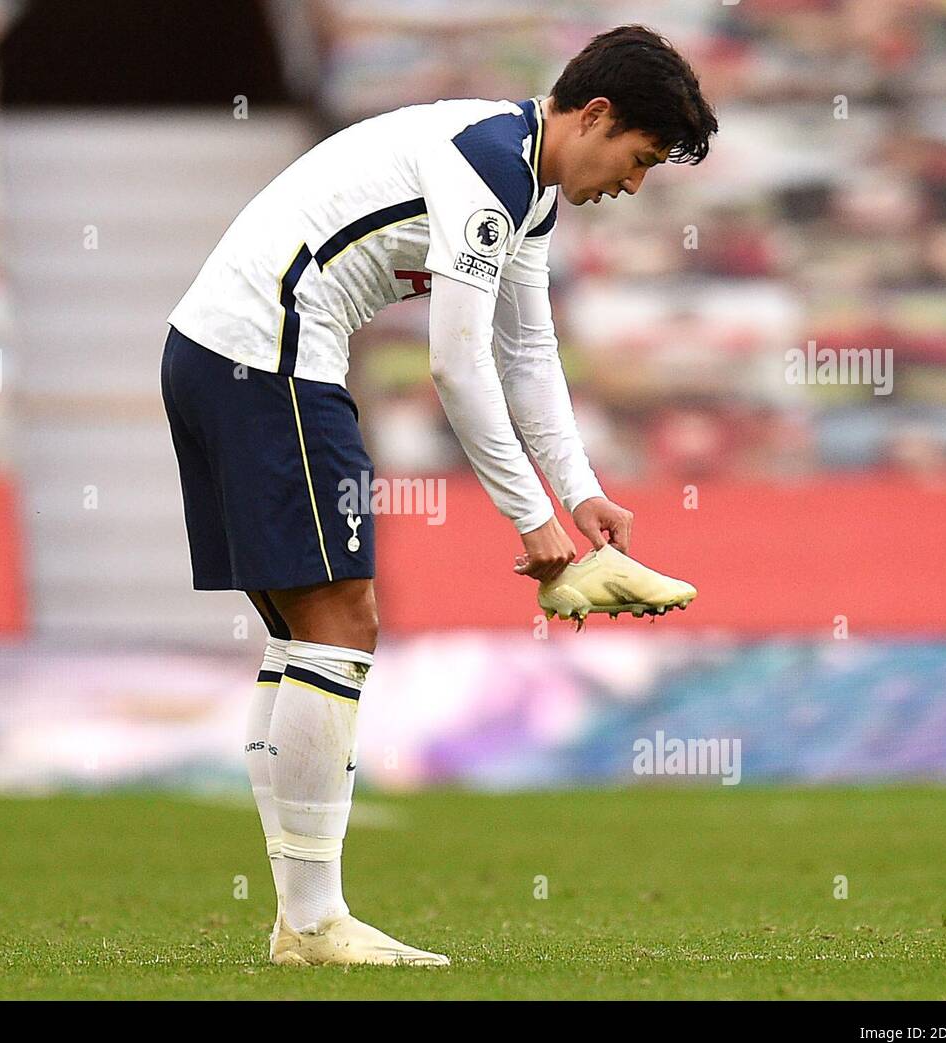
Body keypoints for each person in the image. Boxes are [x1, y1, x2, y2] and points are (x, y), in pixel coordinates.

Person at [160, 25, 717, 965]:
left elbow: (525, 352)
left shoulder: (523, 184)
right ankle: (310, 923)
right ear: (596, 115)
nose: (634, 182)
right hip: (271, 357)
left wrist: (581, 496)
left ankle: (304, 919)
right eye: (640, 157)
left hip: (220, 354)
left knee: (310, 631)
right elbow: (456, 366)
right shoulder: (492, 166)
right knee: (342, 619)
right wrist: (530, 519)